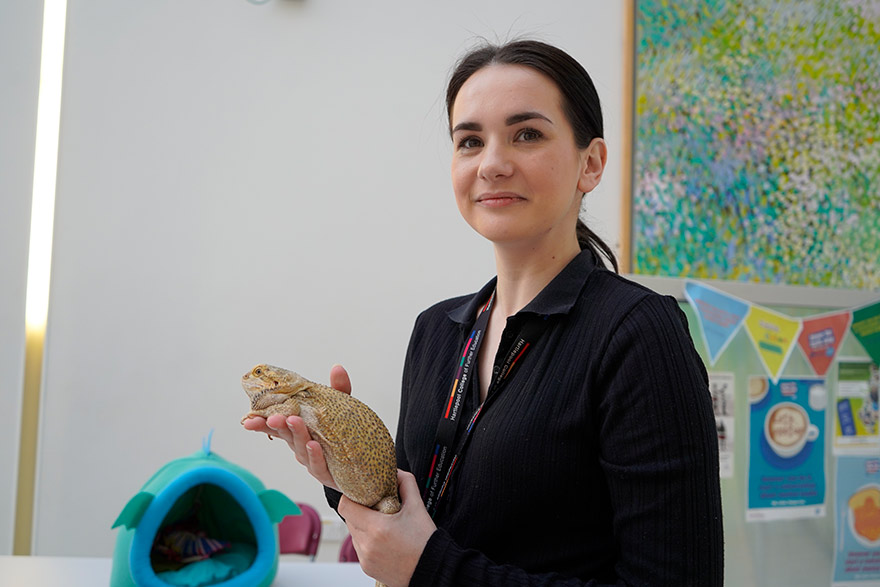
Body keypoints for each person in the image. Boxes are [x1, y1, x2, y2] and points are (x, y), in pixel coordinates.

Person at [245, 39, 724, 586]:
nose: (492, 164)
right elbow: (415, 518)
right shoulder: (436, 331)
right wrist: (341, 464)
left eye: (527, 134)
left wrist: (432, 569)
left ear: (590, 164)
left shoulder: (638, 334)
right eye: (470, 141)